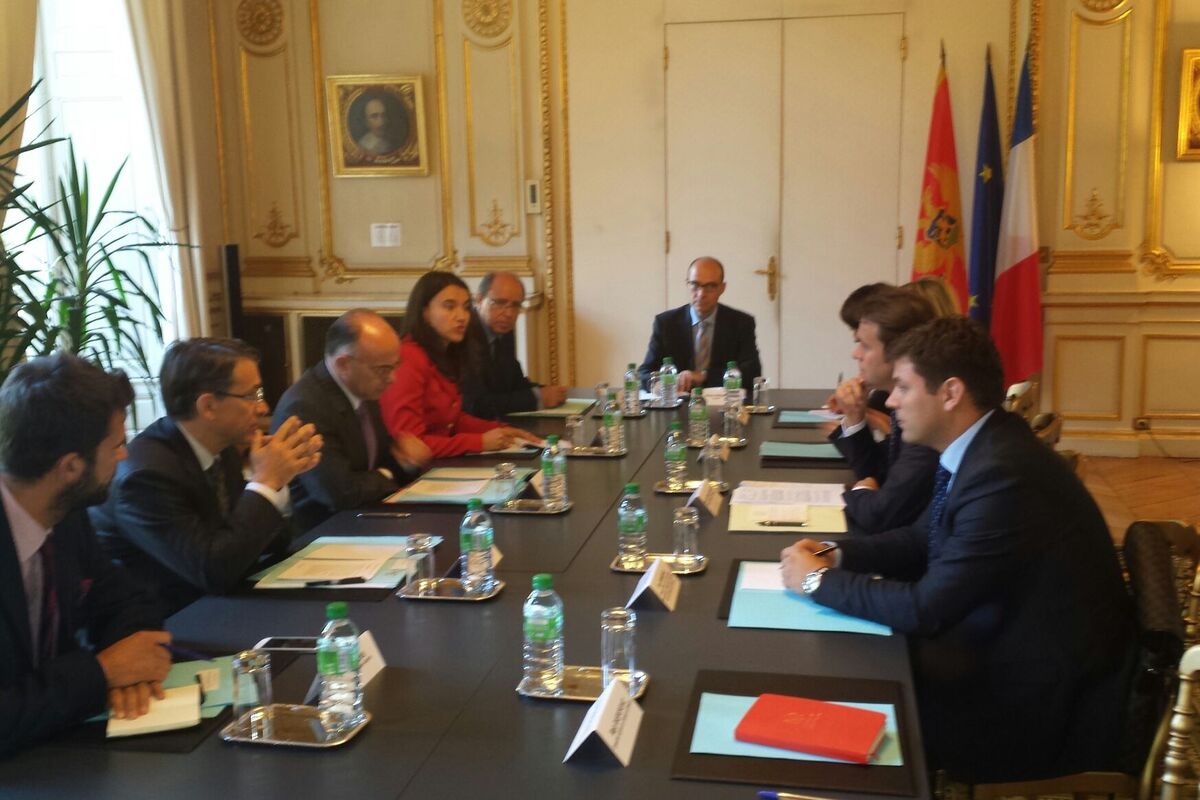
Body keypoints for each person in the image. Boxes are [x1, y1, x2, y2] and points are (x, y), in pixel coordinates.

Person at [781, 317, 1137, 782]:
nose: (890, 401)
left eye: (903, 388)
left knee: (844, 688)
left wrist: (815, 581)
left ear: (950, 393)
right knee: (844, 660)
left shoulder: (1002, 472)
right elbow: (920, 538)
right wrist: (836, 554)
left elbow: (927, 609)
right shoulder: (983, 444)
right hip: (1003, 644)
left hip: (1035, 699)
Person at [0, 354, 171, 756]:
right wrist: (103, 671)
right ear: (71, 467)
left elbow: (125, 599)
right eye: (116, 445)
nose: (124, 456)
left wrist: (130, 665)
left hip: (56, 748)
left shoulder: (64, 514)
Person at [92, 338, 323, 614]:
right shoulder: (145, 477)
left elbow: (265, 544)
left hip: (217, 605)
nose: (262, 407)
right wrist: (266, 482)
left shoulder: (220, 449)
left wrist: (279, 480)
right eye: (251, 396)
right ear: (208, 406)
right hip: (168, 620)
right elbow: (213, 570)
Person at [272, 310, 432, 530]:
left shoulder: (362, 390)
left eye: (396, 366)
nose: (392, 378)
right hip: (326, 532)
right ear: (343, 364)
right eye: (383, 369)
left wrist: (405, 459)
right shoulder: (305, 407)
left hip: (367, 517)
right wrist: (392, 471)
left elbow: (383, 459)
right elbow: (340, 493)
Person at [380, 271, 538, 457]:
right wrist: (479, 442)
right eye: (449, 307)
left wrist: (500, 429)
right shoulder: (409, 357)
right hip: (417, 470)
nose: (462, 316)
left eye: (465, 308)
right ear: (425, 312)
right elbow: (412, 445)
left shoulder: (448, 354)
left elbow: (453, 421)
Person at [828, 286, 939, 534]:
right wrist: (854, 416)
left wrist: (861, 490)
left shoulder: (926, 416)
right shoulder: (898, 401)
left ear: (897, 352)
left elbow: (881, 514)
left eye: (864, 346)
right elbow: (879, 473)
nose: (855, 354)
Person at [637, 256, 761, 393]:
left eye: (710, 286)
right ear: (687, 284)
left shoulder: (741, 323)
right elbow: (644, 373)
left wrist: (703, 376)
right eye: (695, 285)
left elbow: (752, 373)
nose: (701, 294)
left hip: (723, 401)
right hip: (679, 401)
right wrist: (661, 383)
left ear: (722, 288)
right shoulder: (666, 323)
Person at [462, 271, 568, 419]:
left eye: (515, 305)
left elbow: (514, 382)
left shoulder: (503, 329)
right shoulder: (463, 335)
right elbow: (475, 404)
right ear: (479, 300)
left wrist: (547, 391)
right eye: (500, 303)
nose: (509, 313)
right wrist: (537, 398)